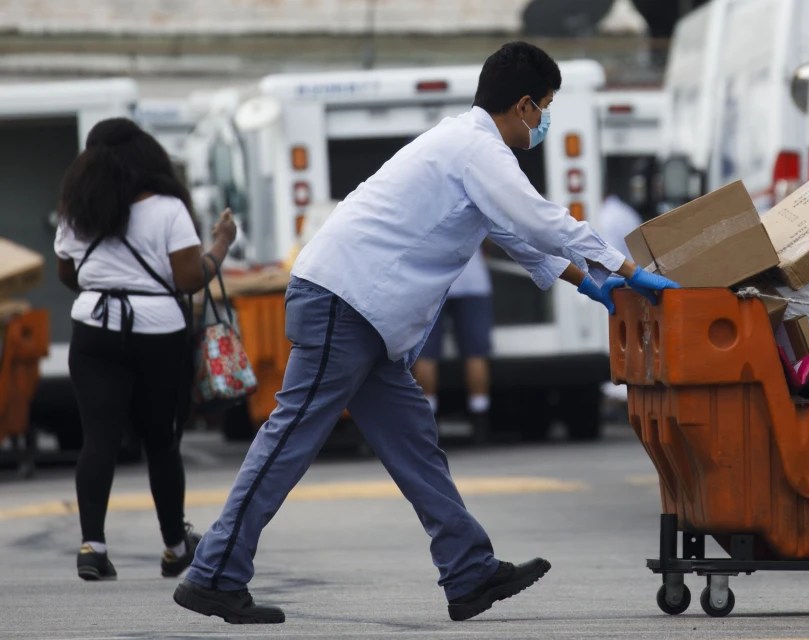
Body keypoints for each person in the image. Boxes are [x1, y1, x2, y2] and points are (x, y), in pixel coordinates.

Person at [172, 41, 679, 624]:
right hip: (344, 302)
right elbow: (538, 218)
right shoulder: (476, 148)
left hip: (360, 313)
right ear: (521, 106)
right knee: (288, 440)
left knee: (415, 444)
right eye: (544, 107)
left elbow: (514, 235)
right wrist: (625, 270)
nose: (544, 121)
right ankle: (213, 573)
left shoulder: (465, 145)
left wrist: (583, 281)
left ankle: (468, 571)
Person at [53, 118, 238, 581]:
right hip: (158, 332)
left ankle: (92, 546)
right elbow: (190, 279)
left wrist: (108, 277)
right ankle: (176, 547)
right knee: (161, 442)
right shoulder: (168, 209)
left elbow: (68, 274)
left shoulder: (77, 208)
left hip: (93, 329)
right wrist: (220, 244)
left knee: (98, 440)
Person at [413, 250, 495, 442]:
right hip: (473, 280)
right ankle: (480, 418)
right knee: (476, 354)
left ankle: (429, 421)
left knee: (426, 354)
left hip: (431, 281)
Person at [596, 190, 644, 262]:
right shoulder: (626, 210)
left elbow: (610, 249)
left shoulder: (607, 215)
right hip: (635, 260)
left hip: (623, 265)